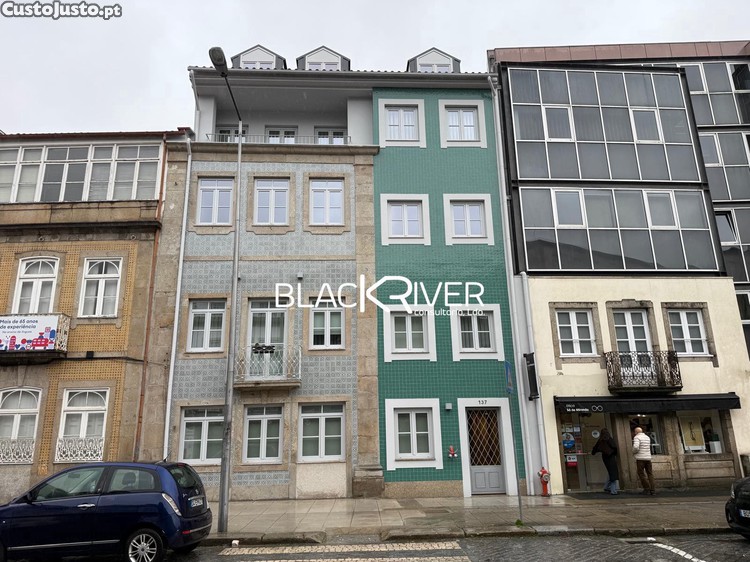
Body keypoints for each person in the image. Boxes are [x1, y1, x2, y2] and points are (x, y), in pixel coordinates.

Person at [591, 428, 619, 495]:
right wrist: (614, 453)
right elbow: (614, 447)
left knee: (610, 472)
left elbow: (595, 448)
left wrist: (593, 452)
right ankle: (613, 490)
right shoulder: (609, 439)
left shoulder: (600, 440)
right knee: (613, 472)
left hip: (604, 457)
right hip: (611, 457)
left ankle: (607, 487)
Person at [633, 427, 655, 495]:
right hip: (648, 458)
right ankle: (653, 490)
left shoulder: (637, 437)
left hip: (640, 458)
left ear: (636, 432)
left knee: (641, 473)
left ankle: (647, 488)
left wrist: (633, 452)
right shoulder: (647, 437)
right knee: (650, 474)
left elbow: (636, 447)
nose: (634, 433)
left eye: (635, 432)